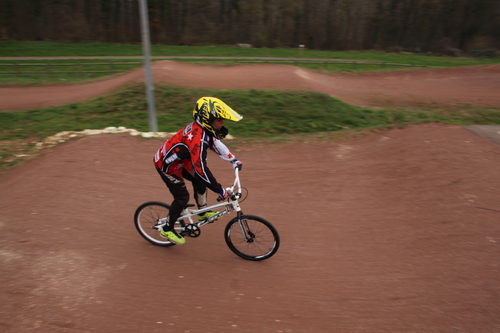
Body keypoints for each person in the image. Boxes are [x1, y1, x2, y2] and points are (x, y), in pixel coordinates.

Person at [153, 97, 243, 244]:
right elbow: (201, 169)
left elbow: (215, 143)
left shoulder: (203, 130)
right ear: (208, 120)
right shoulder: (197, 139)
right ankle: (167, 229)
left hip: (182, 162)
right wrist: (219, 190)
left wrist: (233, 159)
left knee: (200, 181)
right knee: (182, 197)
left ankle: (203, 212)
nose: (223, 123)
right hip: (167, 166)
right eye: (219, 120)